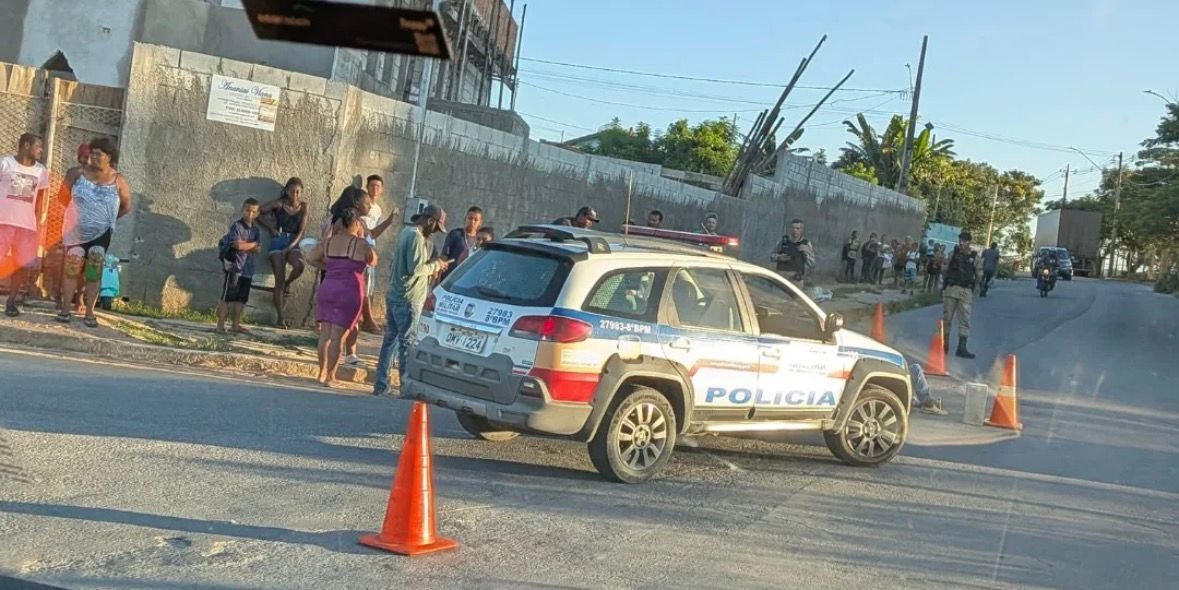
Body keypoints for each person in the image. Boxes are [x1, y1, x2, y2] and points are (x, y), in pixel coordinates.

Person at [373, 204, 450, 396]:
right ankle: (405, 388)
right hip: (408, 298)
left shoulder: (406, 232)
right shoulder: (416, 237)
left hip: (395, 295)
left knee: (390, 341)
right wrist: (437, 265)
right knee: (406, 344)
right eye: (436, 227)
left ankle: (381, 385)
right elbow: (415, 269)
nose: (435, 232)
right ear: (430, 221)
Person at [57, 137, 131, 327]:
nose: (94, 157)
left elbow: (125, 206)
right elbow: (62, 197)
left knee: (94, 268)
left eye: (99, 154)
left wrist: (107, 220)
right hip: (75, 231)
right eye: (93, 153)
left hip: (101, 233)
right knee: (72, 266)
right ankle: (65, 310)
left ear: (109, 157)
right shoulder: (76, 174)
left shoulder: (118, 180)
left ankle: (89, 312)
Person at [308, 207, 377, 387]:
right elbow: (373, 260)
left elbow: (310, 257)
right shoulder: (361, 244)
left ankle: (321, 373)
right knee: (338, 336)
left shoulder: (329, 242)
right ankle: (331, 376)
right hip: (349, 289)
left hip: (328, 286)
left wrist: (329, 267)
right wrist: (366, 235)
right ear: (357, 223)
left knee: (325, 334)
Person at [0, 133, 50, 317]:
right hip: (3, 221)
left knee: (19, 265)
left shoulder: (41, 171)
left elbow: (40, 203)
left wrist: (38, 229)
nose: (41, 150)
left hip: (26, 226)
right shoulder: (5, 163)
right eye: (38, 146)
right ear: (26, 145)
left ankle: (11, 301)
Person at [258, 177, 307, 329]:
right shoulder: (279, 204)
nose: (295, 195)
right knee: (279, 280)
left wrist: (290, 247)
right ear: (286, 191)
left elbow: (301, 231)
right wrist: (270, 228)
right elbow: (257, 212)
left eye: (298, 192)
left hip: (293, 241)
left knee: (299, 266)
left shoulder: (304, 207)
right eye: (292, 191)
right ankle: (280, 318)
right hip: (278, 240)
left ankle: (288, 283)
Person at [216, 199, 262, 334]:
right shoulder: (236, 226)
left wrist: (249, 245)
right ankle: (220, 325)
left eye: (253, 211)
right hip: (234, 268)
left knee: (241, 299)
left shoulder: (256, 230)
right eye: (248, 210)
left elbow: (258, 250)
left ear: (257, 213)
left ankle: (235, 325)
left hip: (247, 269)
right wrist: (252, 244)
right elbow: (238, 245)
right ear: (242, 210)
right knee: (227, 297)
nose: (250, 214)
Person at [359, 175, 397, 333]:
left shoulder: (378, 210)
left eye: (378, 186)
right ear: (367, 187)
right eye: (372, 185)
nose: (374, 189)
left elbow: (374, 233)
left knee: (369, 286)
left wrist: (388, 221)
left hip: (370, 248)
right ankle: (367, 320)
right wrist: (388, 221)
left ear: (382, 190)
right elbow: (368, 232)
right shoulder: (362, 206)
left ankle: (365, 319)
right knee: (362, 284)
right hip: (360, 248)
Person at [942, 230, 979, 359]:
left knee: (965, 320)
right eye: (960, 241)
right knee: (947, 319)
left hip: (965, 291)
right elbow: (944, 269)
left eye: (964, 241)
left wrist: (976, 287)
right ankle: (943, 345)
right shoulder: (952, 254)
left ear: (969, 242)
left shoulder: (975, 257)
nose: (961, 243)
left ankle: (962, 348)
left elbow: (979, 274)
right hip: (951, 289)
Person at [440, 206, 484, 281]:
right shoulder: (455, 234)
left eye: (476, 220)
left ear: (480, 222)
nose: (472, 222)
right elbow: (444, 257)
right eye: (470, 218)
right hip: (450, 278)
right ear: (465, 219)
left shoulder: (480, 239)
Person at [772, 218, 815, 285]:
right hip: (782, 276)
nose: (795, 230)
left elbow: (812, 263)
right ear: (790, 229)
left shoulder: (806, 244)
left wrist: (806, 254)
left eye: (798, 228)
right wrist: (779, 257)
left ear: (802, 230)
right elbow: (771, 256)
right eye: (793, 228)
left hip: (796, 278)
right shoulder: (783, 241)